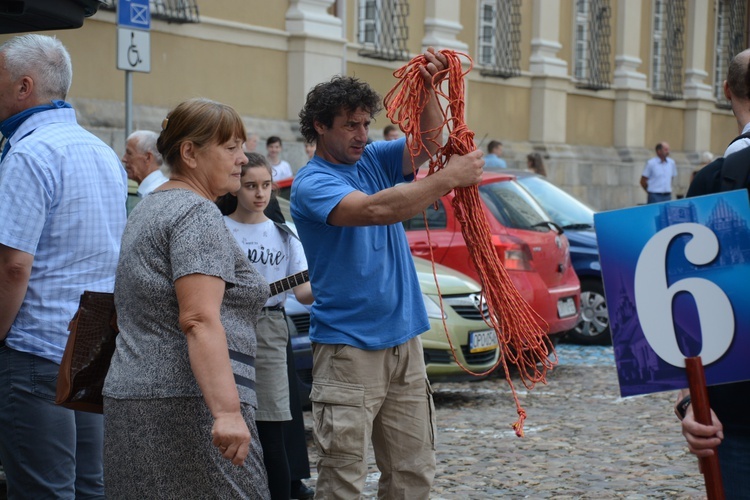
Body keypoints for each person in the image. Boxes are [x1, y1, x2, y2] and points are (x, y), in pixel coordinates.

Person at [290, 47, 484, 499]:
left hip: (405, 343)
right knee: (342, 480)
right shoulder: (312, 183)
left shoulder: (373, 159)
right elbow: (376, 209)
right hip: (347, 350)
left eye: (365, 123)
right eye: (350, 125)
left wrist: (430, 87)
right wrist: (448, 179)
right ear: (320, 126)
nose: (362, 134)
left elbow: (432, 141)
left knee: (413, 473)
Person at [102, 98, 270, 499]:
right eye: (230, 148)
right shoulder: (197, 213)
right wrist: (228, 413)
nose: (242, 159)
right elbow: (198, 318)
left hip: (135, 394)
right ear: (190, 152)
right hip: (188, 404)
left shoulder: (150, 206)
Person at [0, 34, 127, 498]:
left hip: (36, 351)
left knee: (43, 490)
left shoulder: (30, 153)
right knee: (89, 487)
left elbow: (13, 266)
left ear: (23, 87)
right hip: (90, 348)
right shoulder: (101, 153)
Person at [218, 152, 314, 500]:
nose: (260, 194)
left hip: (271, 329)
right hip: (224, 327)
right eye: (250, 186)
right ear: (235, 187)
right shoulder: (219, 228)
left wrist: (333, 278)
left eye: (266, 186)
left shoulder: (284, 235)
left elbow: (303, 292)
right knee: (225, 421)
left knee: (272, 429)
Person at [678, 49, 750, 498]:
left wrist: (689, 402)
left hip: (733, 414)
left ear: (727, 93)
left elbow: (685, 316)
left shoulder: (710, 184)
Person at [122, 129, 168, 197]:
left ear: (148, 157)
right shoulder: (159, 189)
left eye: (129, 153)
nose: (124, 159)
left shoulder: (153, 194)